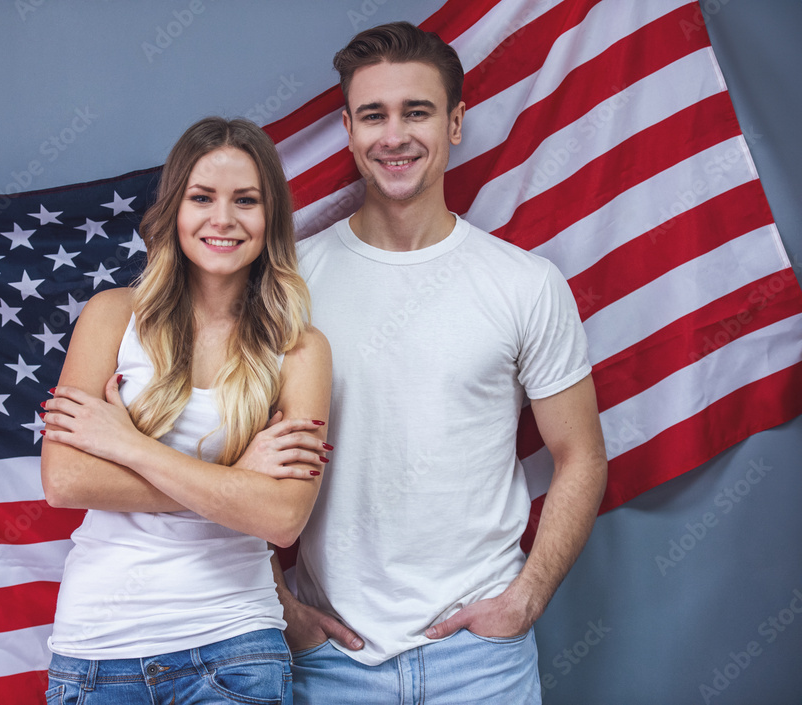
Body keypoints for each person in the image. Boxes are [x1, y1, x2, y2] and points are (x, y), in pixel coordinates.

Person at [270, 22, 609, 704]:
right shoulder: (290, 285)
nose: (394, 135)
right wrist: (281, 607)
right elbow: (227, 454)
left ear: (455, 123)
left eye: (416, 111)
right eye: (374, 115)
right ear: (348, 128)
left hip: (479, 661)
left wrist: (524, 601)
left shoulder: (525, 284)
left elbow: (582, 456)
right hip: (331, 661)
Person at [38, 116, 333, 705]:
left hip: (233, 647)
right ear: (175, 209)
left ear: (270, 216)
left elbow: (281, 519)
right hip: (97, 650)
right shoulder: (112, 316)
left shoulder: (300, 350)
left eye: (245, 200)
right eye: (202, 197)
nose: (222, 219)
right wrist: (238, 484)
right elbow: (65, 480)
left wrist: (127, 446)